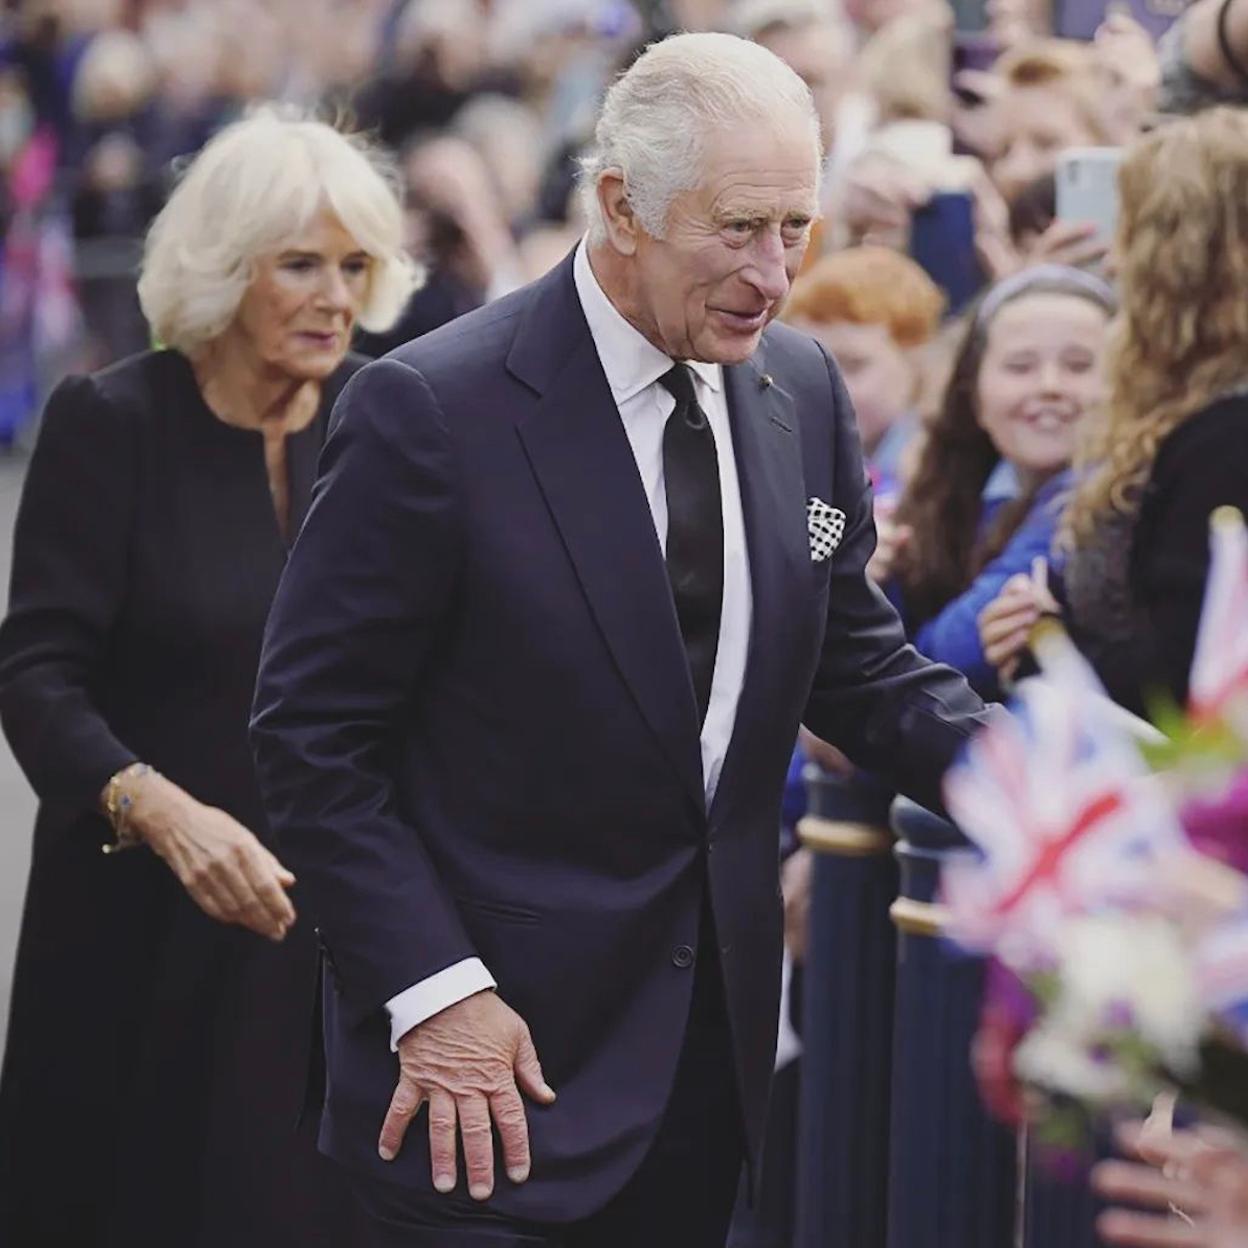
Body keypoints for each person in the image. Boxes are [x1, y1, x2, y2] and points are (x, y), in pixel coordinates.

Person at [250, 31, 990, 1248]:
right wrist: (436, 996)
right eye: (740, 227)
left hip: (709, 1080)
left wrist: (1078, 795)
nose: (775, 273)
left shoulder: (803, 390)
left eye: (797, 227)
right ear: (620, 207)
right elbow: (312, 737)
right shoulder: (435, 407)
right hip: (482, 1084)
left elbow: (861, 672)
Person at [0, 108, 416, 1247]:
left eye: (354, 266)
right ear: (228, 268)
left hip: (323, 926)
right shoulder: (110, 422)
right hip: (139, 921)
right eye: (301, 265)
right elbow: (35, 672)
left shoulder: (386, 419)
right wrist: (161, 812)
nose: (337, 296)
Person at [979, 108, 1248, 715]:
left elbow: (1186, 681)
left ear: (1178, 261)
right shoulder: (1195, 411)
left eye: (1129, 233)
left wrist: (1047, 645)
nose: (1115, 263)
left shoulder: (1227, 437)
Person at [890, 264, 1114, 696]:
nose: (1050, 386)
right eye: (1020, 366)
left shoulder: (1110, 497)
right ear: (974, 395)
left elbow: (944, 655)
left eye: (1079, 365)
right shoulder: (947, 497)